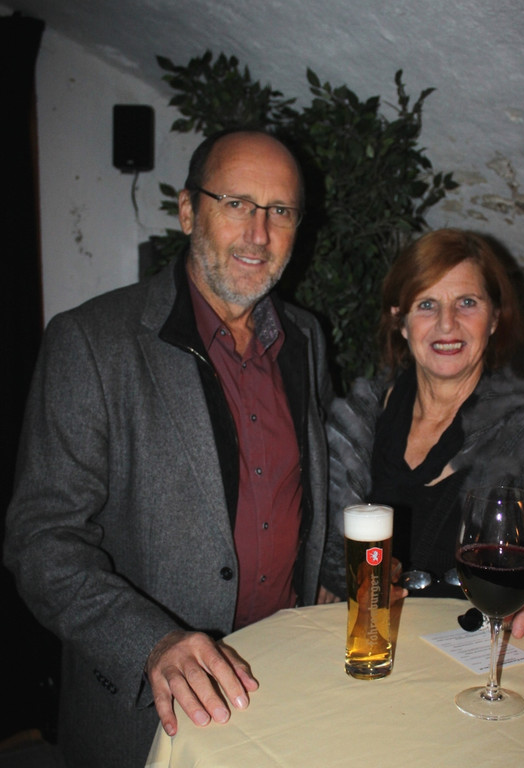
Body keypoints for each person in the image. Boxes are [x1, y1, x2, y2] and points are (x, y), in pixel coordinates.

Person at [4, 129, 333, 768]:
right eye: (235, 204)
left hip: (284, 680)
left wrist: (326, 582)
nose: (258, 233)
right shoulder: (91, 342)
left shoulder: (306, 338)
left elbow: (308, 490)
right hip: (151, 713)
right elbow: (41, 539)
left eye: (280, 211)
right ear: (187, 211)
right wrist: (152, 643)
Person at [320, 228, 524, 636]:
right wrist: (343, 581)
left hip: (472, 652)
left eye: (467, 302)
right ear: (400, 320)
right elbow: (323, 545)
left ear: (495, 318)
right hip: (370, 642)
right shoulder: (358, 419)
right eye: (427, 304)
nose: (447, 323)